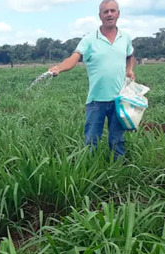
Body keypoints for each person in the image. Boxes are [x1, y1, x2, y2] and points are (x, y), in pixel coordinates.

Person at [49, 0, 136, 161]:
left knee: (118, 140)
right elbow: (74, 58)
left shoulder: (125, 38)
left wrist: (130, 70)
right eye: (106, 12)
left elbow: (130, 56)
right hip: (96, 101)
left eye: (112, 11)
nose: (109, 14)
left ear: (118, 14)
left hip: (119, 99)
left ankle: (118, 172)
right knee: (91, 141)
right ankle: (90, 171)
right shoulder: (89, 39)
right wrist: (59, 68)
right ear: (100, 16)